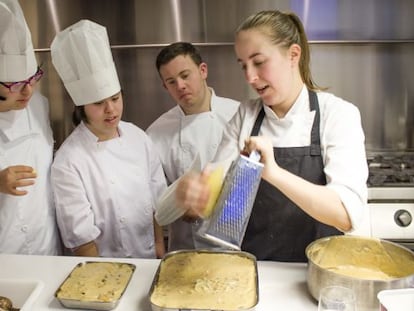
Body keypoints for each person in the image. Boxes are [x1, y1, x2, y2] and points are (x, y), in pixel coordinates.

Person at [156, 10, 368, 262]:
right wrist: (195, 198)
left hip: (318, 272)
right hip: (255, 271)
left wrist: (273, 172)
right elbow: (217, 200)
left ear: (293, 55)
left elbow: (345, 214)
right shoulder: (245, 116)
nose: (250, 77)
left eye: (258, 62)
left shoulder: (338, 115)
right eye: (243, 65)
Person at [50, 19, 167, 258]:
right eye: (99, 103)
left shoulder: (138, 137)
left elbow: (157, 204)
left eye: (115, 98)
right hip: (104, 269)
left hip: (149, 261)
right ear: (81, 106)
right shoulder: (68, 161)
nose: (111, 110)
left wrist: (159, 251)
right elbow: (82, 239)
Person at [146, 42, 239, 251]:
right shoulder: (155, 134)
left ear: (203, 70)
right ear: (165, 87)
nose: (180, 86)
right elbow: (155, 201)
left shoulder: (238, 115)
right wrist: (181, 204)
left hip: (239, 244)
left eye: (185, 75)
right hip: (186, 248)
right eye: (171, 81)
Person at [0, 0, 61, 255]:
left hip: (46, 245)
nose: (28, 91)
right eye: (15, 83)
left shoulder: (38, 105)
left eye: (33, 78)